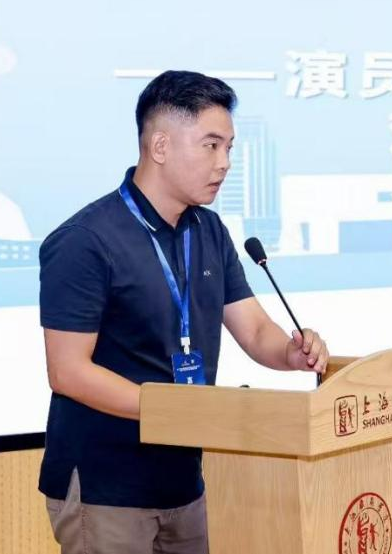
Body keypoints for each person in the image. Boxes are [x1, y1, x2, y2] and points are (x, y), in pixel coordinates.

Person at [37, 70, 329, 553]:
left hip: (184, 479)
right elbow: (67, 371)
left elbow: (255, 329)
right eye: (211, 145)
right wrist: (171, 409)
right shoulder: (85, 241)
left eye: (229, 148)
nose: (225, 163)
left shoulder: (208, 231)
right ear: (160, 146)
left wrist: (290, 353)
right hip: (106, 485)